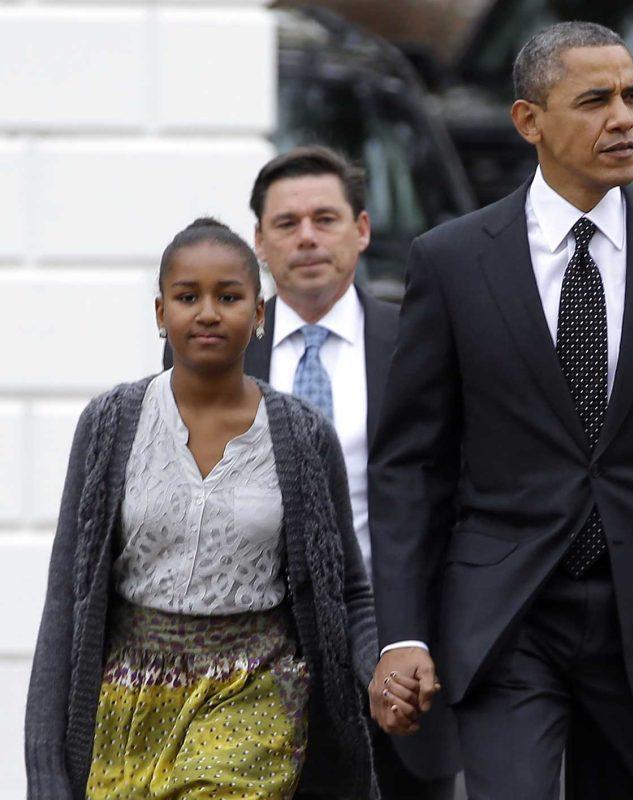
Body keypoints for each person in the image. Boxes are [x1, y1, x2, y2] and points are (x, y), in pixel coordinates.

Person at [367, 20, 633, 800]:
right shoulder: (452, 261)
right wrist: (405, 634)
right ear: (531, 122)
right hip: (502, 614)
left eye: (632, 96)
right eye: (594, 101)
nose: (624, 119)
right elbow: (411, 464)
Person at [25, 218, 378, 799]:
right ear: (161, 313)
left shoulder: (304, 436)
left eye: (230, 297)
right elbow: (68, 595)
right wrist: (44, 766)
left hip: (255, 691)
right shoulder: (110, 425)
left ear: (259, 315)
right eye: (188, 297)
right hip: (129, 703)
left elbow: (350, 592)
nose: (209, 312)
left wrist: (379, 669)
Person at [167, 146, 461, 799]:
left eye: (324, 219)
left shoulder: (422, 340)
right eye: (286, 223)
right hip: (252, 668)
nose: (306, 238)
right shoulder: (215, 349)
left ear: (361, 231)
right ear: (259, 245)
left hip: (400, 652)